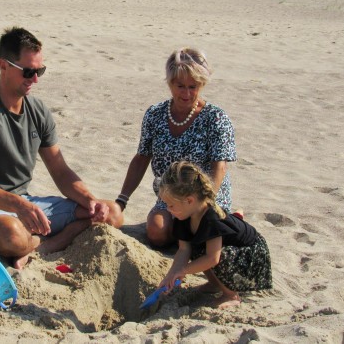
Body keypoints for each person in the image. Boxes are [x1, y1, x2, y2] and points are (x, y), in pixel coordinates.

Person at [0, 27, 123, 269]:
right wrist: (18, 206)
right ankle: (44, 242)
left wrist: (90, 201)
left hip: (26, 204)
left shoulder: (37, 110)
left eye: (40, 70)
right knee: (12, 235)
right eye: (29, 71)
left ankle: (44, 246)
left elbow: (60, 171)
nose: (35, 79)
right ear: (4, 65)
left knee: (112, 213)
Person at [115, 47, 236, 247]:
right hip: (170, 196)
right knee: (156, 232)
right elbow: (142, 157)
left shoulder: (216, 118)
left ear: (202, 84)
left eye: (193, 86)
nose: (187, 93)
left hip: (205, 197)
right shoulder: (155, 114)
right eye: (180, 86)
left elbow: (219, 166)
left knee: (201, 237)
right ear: (170, 83)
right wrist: (122, 200)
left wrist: (204, 205)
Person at [157, 161, 272, 308]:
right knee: (198, 249)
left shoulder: (211, 217)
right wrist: (170, 276)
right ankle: (215, 284)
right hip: (228, 253)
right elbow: (184, 250)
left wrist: (184, 270)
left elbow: (213, 258)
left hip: (252, 254)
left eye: (171, 205)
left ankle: (231, 295)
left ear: (189, 200)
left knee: (214, 255)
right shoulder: (183, 215)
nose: (168, 209)